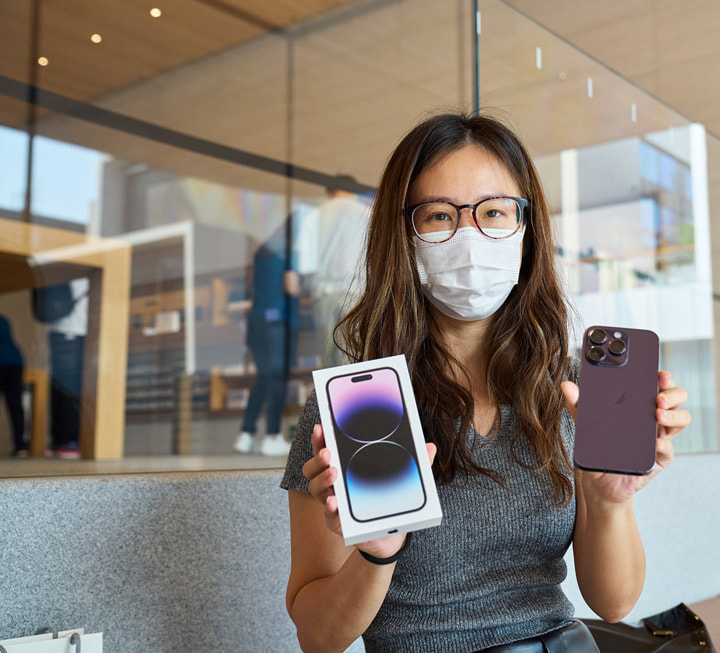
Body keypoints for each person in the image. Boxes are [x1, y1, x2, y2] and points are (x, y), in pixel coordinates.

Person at [279, 112, 691, 652]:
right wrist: (377, 553)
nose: (471, 236)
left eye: (495, 212)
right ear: (403, 236)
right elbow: (318, 636)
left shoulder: (568, 389)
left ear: (527, 232)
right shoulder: (355, 404)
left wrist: (608, 500)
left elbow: (613, 603)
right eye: (438, 216)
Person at [234, 224, 300, 456]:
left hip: (257, 321)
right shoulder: (288, 252)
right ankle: (272, 436)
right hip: (277, 322)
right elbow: (291, 287)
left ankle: (246, 433)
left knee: (263, 378)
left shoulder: (260, 254)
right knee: (278, 379)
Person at [311, 188, 370, 368]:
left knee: (328, 359)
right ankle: (354, 395)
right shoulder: (366, 213)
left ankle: (331, 394)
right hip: (357, 290)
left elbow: (305, 258)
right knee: (353, 355)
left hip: (324, 291)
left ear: (329, 191)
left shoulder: (316, 214)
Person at [47, 277, 88, 459]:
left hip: (59, 331)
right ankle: (68, 442)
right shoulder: (83, 271)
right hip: (74, 330)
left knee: (59, 386)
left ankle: (58, 441)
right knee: (70, 388)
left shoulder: (62, 270)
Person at [0, 313, 27, 457]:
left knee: (15, 405)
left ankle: (20, 445)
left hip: (9, 362)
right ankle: (20, 445)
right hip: (14, 362)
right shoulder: (4, 319)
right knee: (15, 405)